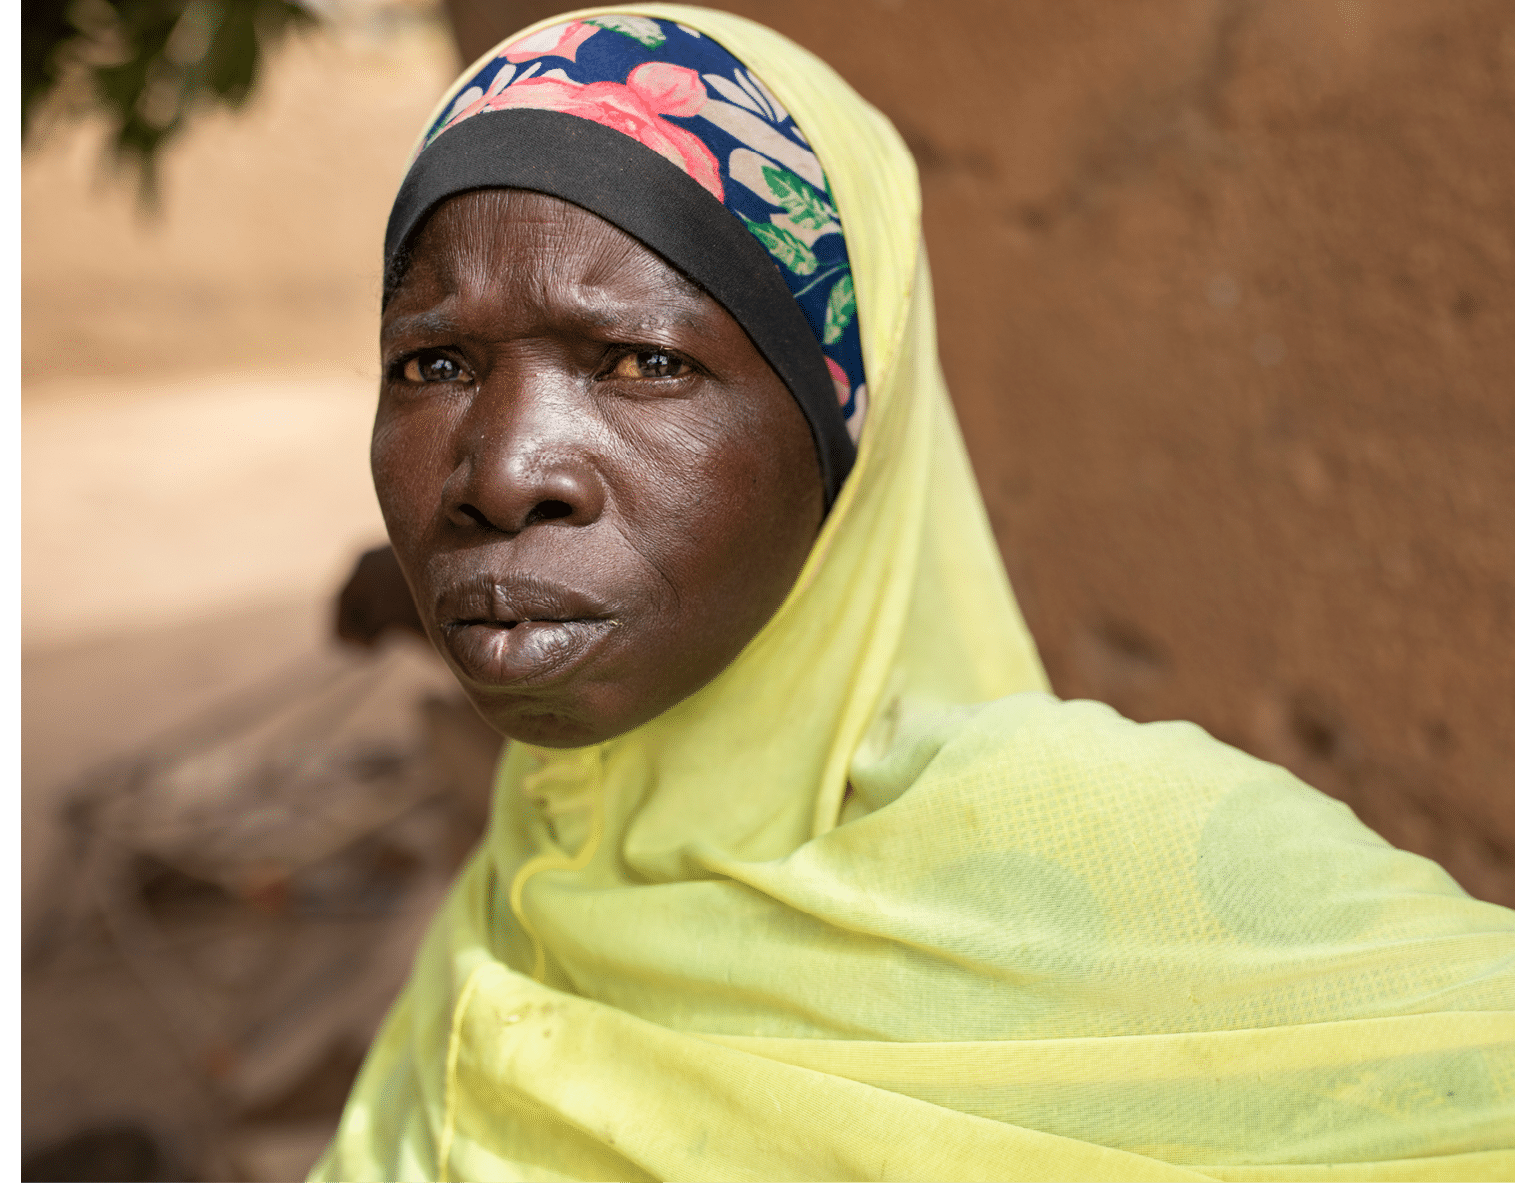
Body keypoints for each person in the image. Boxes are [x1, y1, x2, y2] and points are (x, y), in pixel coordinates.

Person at [311, 7, 1515, 1180]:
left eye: (642, 361)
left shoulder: (1115, 872)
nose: (503, 472)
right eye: (435, 362)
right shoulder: (534, 877)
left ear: (841, 432)